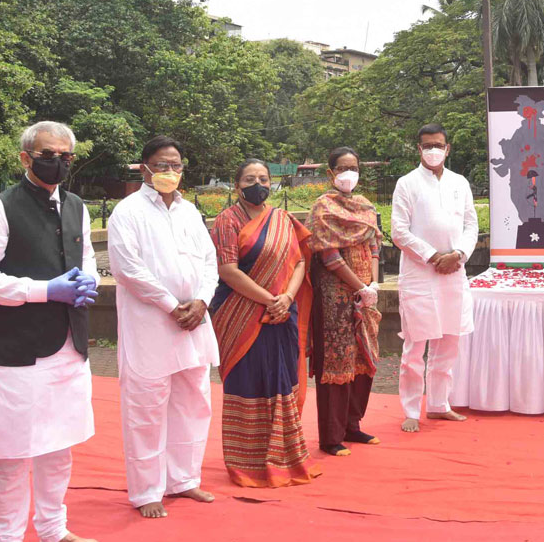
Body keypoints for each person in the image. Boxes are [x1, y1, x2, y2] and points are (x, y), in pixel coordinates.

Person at [0, 122, 102, 542]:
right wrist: (42, 290)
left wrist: (86, 282)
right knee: (13, 454)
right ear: (25, 157)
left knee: (58, 446)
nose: (58, 162)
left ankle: (53, 530)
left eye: (66, 156)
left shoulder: (76, 206)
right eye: (48, 154)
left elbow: (86, 259)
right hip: (19, 350)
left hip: (69, 345)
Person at [107, 136, 219, 519]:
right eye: (162, 165)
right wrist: (172, 306)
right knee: (147, 408)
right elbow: (127, 269)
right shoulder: (127, 212)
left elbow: (209, 261)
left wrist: (202, 300)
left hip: (194, 322)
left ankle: (183, 479)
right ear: (144, 168)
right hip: (151, 324)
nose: (170, 171)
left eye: (176, 165)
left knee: (194, 403)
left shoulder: (189, 212)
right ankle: (146, 491)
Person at [209, 160, 320, 488]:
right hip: (240, 314)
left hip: (282, 314)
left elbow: (299, 261)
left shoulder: (282, 219)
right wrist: (269, 299)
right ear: (236, 185)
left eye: (263, 178)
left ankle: (285, 455)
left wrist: (287, 297)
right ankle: (246, 461)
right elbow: (227, 270)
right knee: (248, 380)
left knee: (282, 379)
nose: (257, 184)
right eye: (249, 179)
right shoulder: (227, 220)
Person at [391, 124, 479, 434]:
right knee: (415, 347)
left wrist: (458, 254)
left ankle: (439, 405)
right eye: (427, 145)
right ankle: (411, 410)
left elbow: (471, 226)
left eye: (438, 145)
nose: (433, 150)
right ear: (419, 149)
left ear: (447, 148)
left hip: (453, 273)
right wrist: (432, 256)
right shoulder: (406, 183)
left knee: (449, 343)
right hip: (419, 274)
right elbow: (399, 231)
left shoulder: (460, 182)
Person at [307, 147, 382, 456]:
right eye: (342, 168)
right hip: (335, 297)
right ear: (330, 173)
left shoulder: (365, 206)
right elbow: (329, 255)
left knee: (363, 359)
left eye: (354, 167)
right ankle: (331, 436)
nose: (348, 173)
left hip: (366, 296)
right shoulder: (323, 208)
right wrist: (359, 286)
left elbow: (374, 246)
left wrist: (373, 284)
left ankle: (353, 425)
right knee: (336, 361)